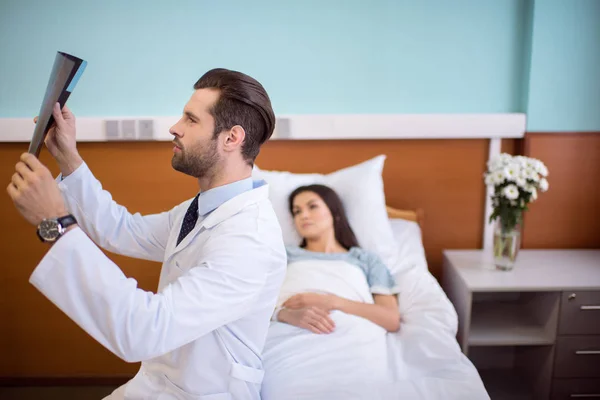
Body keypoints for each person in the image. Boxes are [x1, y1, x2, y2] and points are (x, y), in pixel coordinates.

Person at [6, 68, 287, 399]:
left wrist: (51, 223)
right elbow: (122, 230)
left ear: (231, 138)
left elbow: (144, 329)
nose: (175, 128)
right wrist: (68, 157)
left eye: (190, 119)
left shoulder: (249, 241)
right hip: (156, 385)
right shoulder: (200, 209)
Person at [273, 184, 400, 334]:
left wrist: (331, 302)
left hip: (352, 337)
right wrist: (283, 314)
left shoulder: (365, 259)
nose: (303, 216)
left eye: (312, 206)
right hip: (286, 334)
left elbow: (391, 319)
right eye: (297, 211)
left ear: (334, 212)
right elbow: (252, 302)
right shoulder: (283, 254)